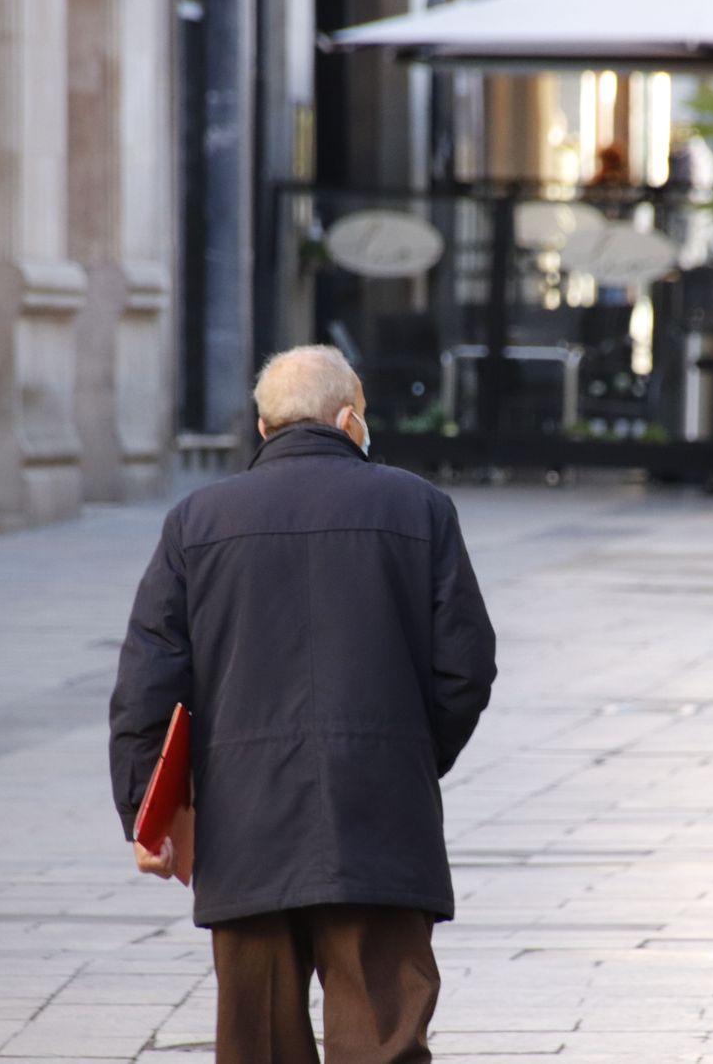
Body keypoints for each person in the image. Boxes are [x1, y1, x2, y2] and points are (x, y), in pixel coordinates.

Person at [108, 344, 497, 1064]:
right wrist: (408, 754)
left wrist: (147, 807)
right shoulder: (419, 508)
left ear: (264, 429)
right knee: (382, 1037)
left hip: (246, 823)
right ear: (351, 420)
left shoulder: (197, 522)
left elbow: (147, 682)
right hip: (379, 817)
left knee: (257, 1043)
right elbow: (465, 667)